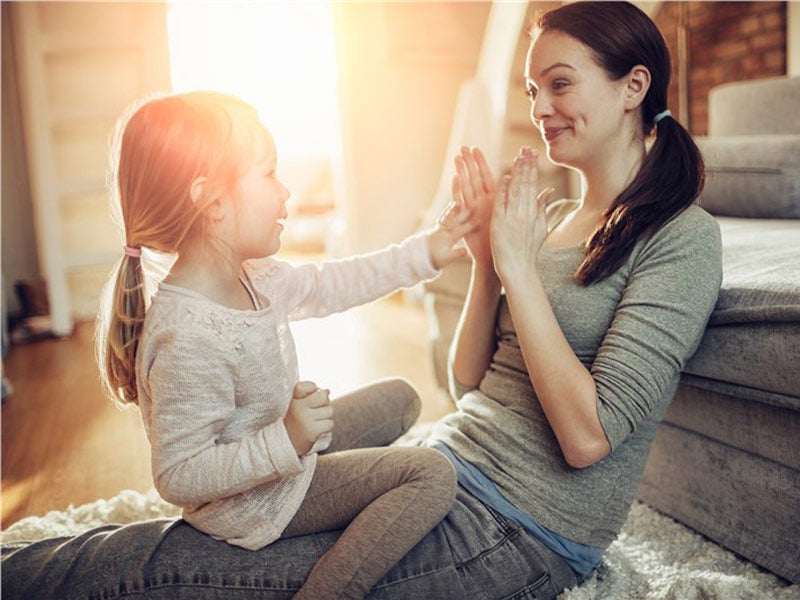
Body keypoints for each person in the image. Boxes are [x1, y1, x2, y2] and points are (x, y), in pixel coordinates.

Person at [1, 3, 723, 599]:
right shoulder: (555, 215)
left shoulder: (682, 240)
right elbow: (470, 384)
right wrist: (487, 268)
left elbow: (587, 440)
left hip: (518, 525)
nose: (539, 108)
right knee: (218, 524)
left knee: (164, 571)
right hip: (444, 462)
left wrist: (519, 272)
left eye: (558, 85)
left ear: (633, 86)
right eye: (533, 90)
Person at [91, 90, 478, 600]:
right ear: (213, 203)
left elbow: (332, 283)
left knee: (401, 398)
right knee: (429, 474)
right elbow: (179, 475)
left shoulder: (254, 276)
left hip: (284, 458)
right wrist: (287, 439)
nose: (286, 192)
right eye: (269, 173)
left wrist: (425, 250)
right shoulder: (186, 333)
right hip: (254, 502)